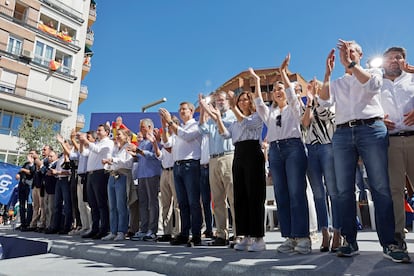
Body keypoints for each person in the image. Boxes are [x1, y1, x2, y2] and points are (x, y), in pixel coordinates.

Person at [319, 39, 410, 263]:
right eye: (345, 52)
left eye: (352, 51)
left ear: (360, 54)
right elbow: (323, 105)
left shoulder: (374, 71)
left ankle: (390, 242)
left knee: (380, 187)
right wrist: (327, 75)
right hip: (341, 133)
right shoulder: (338, 82)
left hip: (371, 129)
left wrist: (351, 65)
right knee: (343, 190)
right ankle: (350, 241)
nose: (347, 54)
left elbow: (371, 86)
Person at [254, 55, 311, 254]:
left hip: (294, 148)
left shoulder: (294, 107)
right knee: (281, 194)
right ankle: (289, 237)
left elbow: (292, 95)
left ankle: (303, 237)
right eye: (275, 90)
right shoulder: (270, 112)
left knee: (296, 192)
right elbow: (259, 102)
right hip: (276, 152)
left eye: (281, 89)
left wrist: (283, 73)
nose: (278, 92)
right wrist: (257, 81)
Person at [205, 86, 266, 252]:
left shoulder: (257, 116)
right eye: (240, 100)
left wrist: (232, 106)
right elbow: (226, 134)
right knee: (240, 197)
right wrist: (217, 117)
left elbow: (247, 124)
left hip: (253, 152)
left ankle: (258, 238)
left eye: (245, 99)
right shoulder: (234, 121)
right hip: (238, 154)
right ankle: (245, 235)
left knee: (254, 196)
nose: (242, 102)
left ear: (251, 102)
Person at [380, 46, 414, 253]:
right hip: (391, 142)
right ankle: (398, 237)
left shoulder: (412, 79)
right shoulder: (375, 84)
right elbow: (368, 107)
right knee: (395, 191)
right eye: (390, 58)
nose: (394, 61)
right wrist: (378, 119)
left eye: (398, 58)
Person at [301, 78, 340, 252]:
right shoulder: (306, 105)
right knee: (318, 193)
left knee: (333, 191)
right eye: (309, 86)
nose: (312, 88)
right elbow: (305, 123)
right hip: (310, 149)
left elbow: (326, 116)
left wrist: (317, 98)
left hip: (327, 146)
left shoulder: (329, 102)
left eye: (315, 85)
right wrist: (309, 103)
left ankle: (338, 231)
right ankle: (324, 230)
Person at [159, 102, 203, 246]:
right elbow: (167, 144)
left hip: (190, 165)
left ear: (191, 111)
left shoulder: (196, 125)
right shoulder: (179, 128)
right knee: (182, 203)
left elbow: (186, 136)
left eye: (184, 109)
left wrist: (170, 122)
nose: (181, 111)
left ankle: (196, 235)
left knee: (193, 202)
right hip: (177, 166)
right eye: (180, 109)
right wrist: (165, 126)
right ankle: (184, 233)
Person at [199, 91, 237, 246]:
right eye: (216, 101)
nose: (219, 103)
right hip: (213, 159)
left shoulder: (231, 116)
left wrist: (209, 111)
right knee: (218, 200)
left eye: (221, 100)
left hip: (228, 156)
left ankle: (239, 232)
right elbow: (202, 129)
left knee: (233, 197)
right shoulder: (211, 119)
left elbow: (225, 128)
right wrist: (202, 110)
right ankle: (221, 234)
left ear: (228, 101)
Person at [129, 119, 162, 242]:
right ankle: (143, 229)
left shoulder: (155, 141)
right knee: (143, 203)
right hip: (142, 175)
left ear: (149, 127)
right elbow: (140, 156)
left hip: (152, 174)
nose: (140, 129)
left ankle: (152, 230)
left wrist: (138, 151)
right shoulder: (142, 142)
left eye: (142, 127)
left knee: (152, 202)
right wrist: (134, 153)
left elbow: (155, 156)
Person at [79, 124, 113, 239]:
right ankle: (95, 228)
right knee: (93, 203)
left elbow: (98, 151)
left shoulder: (108, 142)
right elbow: (84, 153)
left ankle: (104, 228)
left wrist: (86, 142)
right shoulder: (96, 143)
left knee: (101, 203)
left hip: (101, 173)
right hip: (91, 174)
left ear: (107, 132)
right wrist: (81, 142)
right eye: (97, 130)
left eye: (100, 130)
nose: (97, 132)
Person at [101, 128, 134, 241]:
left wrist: (113, 160)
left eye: (119, 134)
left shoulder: (128, 147)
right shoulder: (115, 148)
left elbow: (128, 164)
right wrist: (108, 164)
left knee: (121, 205)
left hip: (122, 176)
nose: (117, 136)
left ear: (125, 136)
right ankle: (113, 231)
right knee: (112, 206)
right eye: (116, 135)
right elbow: (111, 164)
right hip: (112, 176)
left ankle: (122, 231)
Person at [157, 116, 181, 242]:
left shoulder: (178, 137)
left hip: (174, 170)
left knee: (177, 203)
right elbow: (160, 156)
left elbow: (172, 150)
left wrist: (160, 140)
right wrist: (155, 143)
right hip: (165, 171)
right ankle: (167, 232)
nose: (167, 126)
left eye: (169, 124)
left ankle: (178, 231)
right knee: (165, 204)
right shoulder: (165, 139)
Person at [16, 151, 35, 231]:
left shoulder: (34, 164)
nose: (30, 155)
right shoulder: (25, 164)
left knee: (29, 204)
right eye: (29, 153)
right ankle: (23, 223)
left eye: (32, 153)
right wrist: (18, 174)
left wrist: (24, 169)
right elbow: (19, 171)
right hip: (22, 185)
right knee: (21, 205)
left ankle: (28, 222)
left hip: (29, 185)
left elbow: (32, 172)